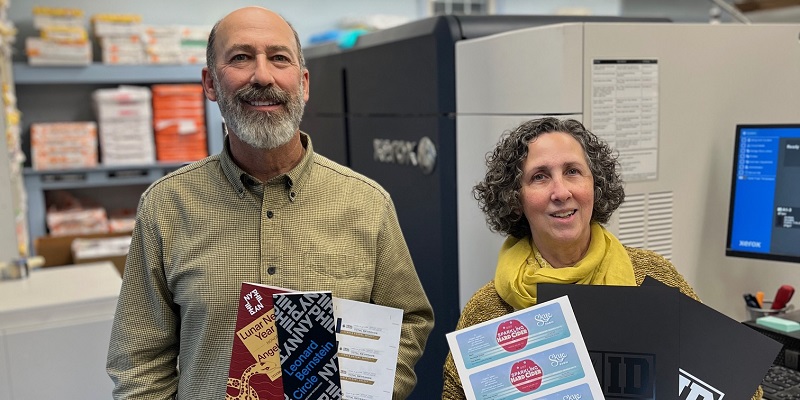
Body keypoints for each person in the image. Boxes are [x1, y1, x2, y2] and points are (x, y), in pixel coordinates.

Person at [106, 6, 434, 399]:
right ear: (210, 84)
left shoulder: (366, 203)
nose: (262, 76)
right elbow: (139, 364)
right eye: (241, 57)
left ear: (304, 83)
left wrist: (372, 392)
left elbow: (408, 321)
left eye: (279, 58)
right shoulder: (166, 206)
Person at [441, 118, 763, 400]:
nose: (561, 191)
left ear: (595, 184)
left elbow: (735, 384)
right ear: (515, 198)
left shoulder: (652, 277)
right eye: (539, 176)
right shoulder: (487, 311)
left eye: (573, 172)